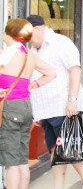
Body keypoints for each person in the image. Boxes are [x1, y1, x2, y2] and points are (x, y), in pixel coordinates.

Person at [26, 15, 83, 189]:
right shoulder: (34, 50)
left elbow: (75, 70)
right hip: (46, 109)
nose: (28, 40)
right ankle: (60, 186)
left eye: (29, 34)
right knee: (55, 150)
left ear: (38, 29)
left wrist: (72, 100)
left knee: (69, 149)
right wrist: (35, 111)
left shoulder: (61, 43)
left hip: (63, 106)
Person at [0, 18, 56, 189]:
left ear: (9, 33)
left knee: (11, 163)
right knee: (22, 159)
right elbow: (51, 73)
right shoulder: (29, 55)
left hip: (10, 107)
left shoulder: (7, 54)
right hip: (25, 106)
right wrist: (32, 85)